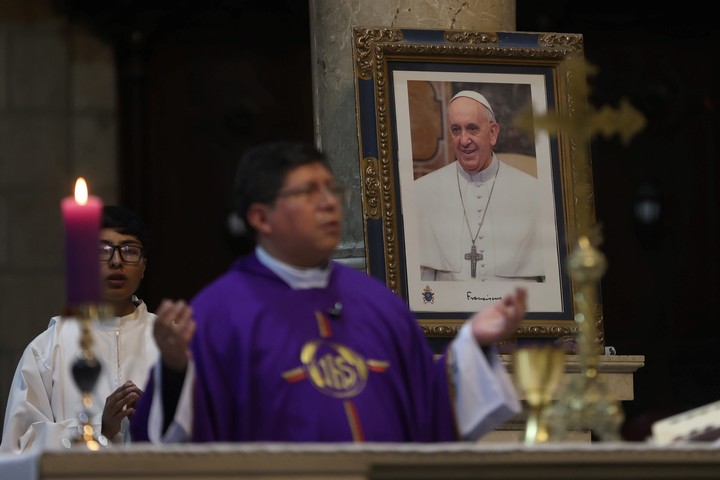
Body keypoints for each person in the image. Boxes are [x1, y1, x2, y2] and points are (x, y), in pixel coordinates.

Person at [130, 140, 525, 443]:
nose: (329, 204)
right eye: (307, 193)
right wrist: (176, 369)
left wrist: (472, 342)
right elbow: (177, 441)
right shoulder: (219, 313)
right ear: (260, 217)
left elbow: (428, 406)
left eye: (332, 190)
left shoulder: (378, 304)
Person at [0, 205, 159, 452]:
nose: (116, 261)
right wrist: (99, 428)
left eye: (129, 250)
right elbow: (18, 445)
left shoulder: (167, 342)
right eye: (103, 250)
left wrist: (152, 421)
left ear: (144, 266)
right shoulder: (49, 347)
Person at [415, 90, 545, 282]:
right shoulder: (422, 191)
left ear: (493, 133)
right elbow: (421, 286)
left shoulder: (534, 192)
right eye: (456, 130)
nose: (464, 140)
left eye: (472, 128)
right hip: (451, 310)